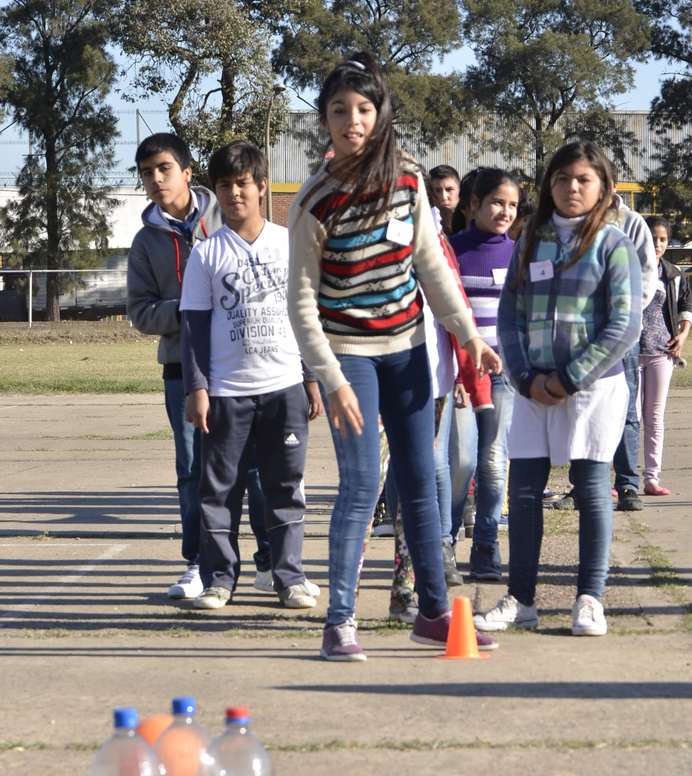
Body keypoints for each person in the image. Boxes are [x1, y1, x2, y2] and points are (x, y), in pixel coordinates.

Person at [286, 51, 501, 662]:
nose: (352, 120)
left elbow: (431, 266)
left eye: (363, 108)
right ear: (324, 121)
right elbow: (300, 303)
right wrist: (331, 379)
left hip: (407, 351)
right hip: (348, 355)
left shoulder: (408, 180)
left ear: (380, 115)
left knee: (421, 483)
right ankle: (339, 621)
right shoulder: (314, 201)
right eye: (339, 110)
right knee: (360, 484)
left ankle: (432, 613)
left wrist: (468, 335)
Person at [475, 141, 642, 639]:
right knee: (524, 491)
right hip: (532, 389)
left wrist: (570, 378)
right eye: (562, 178)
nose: (572, 187)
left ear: (603, 187)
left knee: (591, 489)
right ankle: (521, 599)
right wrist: (525, 376)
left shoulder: (614, 244)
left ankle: (590, 599)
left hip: (592, 390)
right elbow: (510, 315)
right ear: (549, 184)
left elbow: (625, 325)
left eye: (584, 179)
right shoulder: (531, 240)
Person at [127, 134, 273, 600]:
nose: (156, 179)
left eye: (164, 168)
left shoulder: (229, 213)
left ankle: (269, 560)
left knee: (256, 468)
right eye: (147, 173)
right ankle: (200, 563)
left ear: (188, 173)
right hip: (182, 369)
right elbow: (140, 312)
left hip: (244, 364)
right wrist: (189, 308)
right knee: (193, 471)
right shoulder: (145, 242)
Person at [180, 140, 323, 611]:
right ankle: (219, 580)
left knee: (285, 487)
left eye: (242, 183)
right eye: (224, 185)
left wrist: (311, 376)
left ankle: (289, 577)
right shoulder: (206, 254)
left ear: (262, 186)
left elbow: (306, 316)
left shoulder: (289, 243)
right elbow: (193, 329)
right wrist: (198, 388)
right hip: (226, 393)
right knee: (218, 492)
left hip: (284, 388)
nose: (234, 193)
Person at [448, 168, 520, 580]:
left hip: (503, 374)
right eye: (497, 203)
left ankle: (486, 547)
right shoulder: (451, 250)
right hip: (460, 375)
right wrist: (457, 373)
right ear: (473, 203)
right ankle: (446, 542)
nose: (505, 212)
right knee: (461, 461)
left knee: (493, 462)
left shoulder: (521, 254)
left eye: (512, 205)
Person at [608, 167, 659, 513]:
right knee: (582, 409)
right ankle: (582, 485)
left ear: (612, 185)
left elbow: (647, 277)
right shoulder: (575, 222)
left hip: (622, 334)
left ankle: (626, 484)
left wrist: (623, 318)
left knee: (626, 409)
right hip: (582, 335)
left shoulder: (632, 222)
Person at [638, 215, 692, 495]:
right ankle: (622, 479)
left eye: (662, 239)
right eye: (652, 238)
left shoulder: (673, 274)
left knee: (654, 417)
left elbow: (686, 307)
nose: (658, 244)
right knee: (629, 417)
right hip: (631, 353)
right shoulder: (628, 268)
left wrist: (682, 336)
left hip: (663, 352)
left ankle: (651, 479)